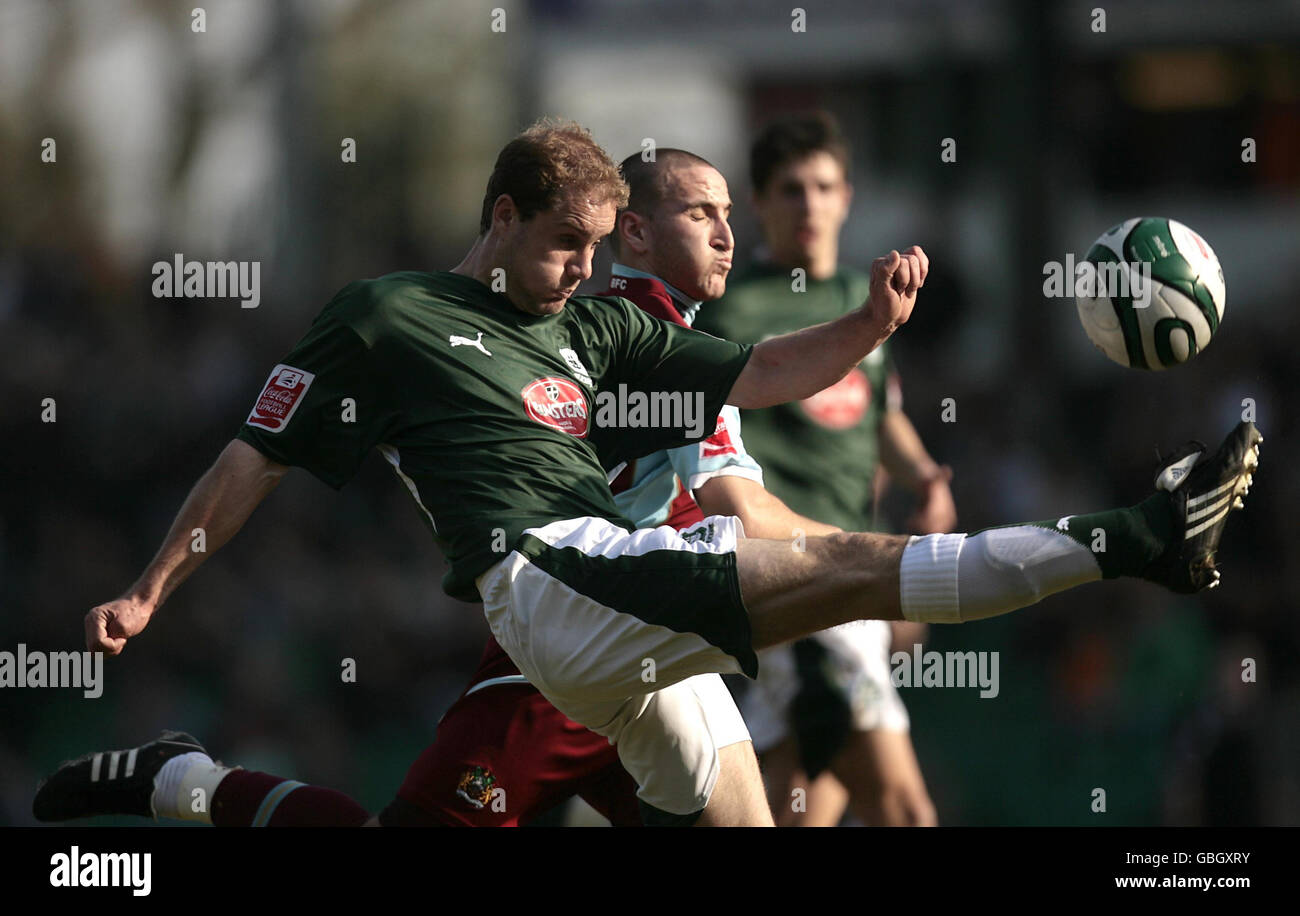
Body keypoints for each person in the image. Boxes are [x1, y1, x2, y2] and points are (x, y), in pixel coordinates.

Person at [33, 119, 1262, 828]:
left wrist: (869, 330)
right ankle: (1139, 537)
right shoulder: (387, 317)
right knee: (848, 571)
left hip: (639, 620)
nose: (576, 271)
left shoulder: (609, 332)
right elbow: (255, 453)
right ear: (503, 214)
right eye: (564, 241)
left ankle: (180, 781)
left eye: (734, 212)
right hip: (555, 607)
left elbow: (767, 375)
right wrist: (152, 589)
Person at [699, 112, 943, 826]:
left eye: (823, 186)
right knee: (904, 808)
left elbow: (880, 410)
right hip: (798, 572)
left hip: (848, 573)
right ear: (761, 202)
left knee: (800, 797)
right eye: (791, 189)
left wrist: (926, 479)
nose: (809, 204)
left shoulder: (865, 307)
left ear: (848, 197)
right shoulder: (730, 311)